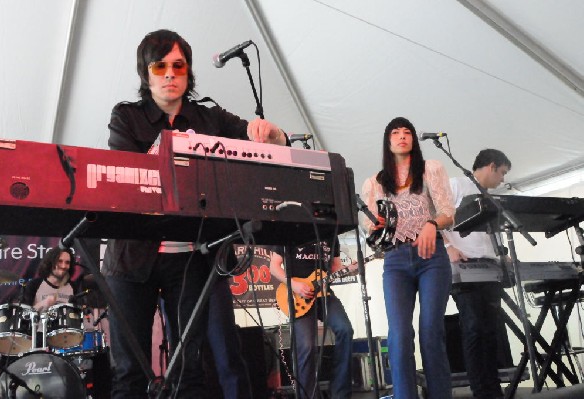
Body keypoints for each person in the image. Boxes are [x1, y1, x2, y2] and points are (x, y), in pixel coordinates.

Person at [103, 29, 288, 399]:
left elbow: (265, 141)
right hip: (131, 257)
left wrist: (274, 134)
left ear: (188, 72)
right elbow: (132, 176)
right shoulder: (125, 117)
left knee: (190, 369)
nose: (170, 74)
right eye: (160, 66)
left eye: (178, 65)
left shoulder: (210, 117)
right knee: (129, 373)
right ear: (146, 73)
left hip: (192, 258)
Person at [361, 116, 455, 399]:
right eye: (396, 132)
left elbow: (448, 213)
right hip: (396, 260)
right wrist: (374, 224)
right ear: (388, 142)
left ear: (413, 139)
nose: (402, 136)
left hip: (432, 257)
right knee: (399, 337)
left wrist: (431, 224)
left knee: (430, 332)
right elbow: (370, 225)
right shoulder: (376, 182)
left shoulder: (430, 169)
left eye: (407, 132)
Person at [443, 149, 511, 399]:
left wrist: (501, 253)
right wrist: (448, 247)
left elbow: (490, 233)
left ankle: (493, 388)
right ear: (491, 166)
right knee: (473, 328)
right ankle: (480, 390)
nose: (502, 179)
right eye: (502, 172)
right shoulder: (456, 185)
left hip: (489, 267)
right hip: (464, 266)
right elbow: (433, 217)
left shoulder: (489, 197)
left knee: (491, 329)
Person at [269, 239, 356, 399]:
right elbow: (274, 266)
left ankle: (340, 393)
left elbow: (335, 267)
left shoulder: (330, 231)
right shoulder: (291, 227)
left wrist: (351, 269)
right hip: (299, 295)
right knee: (306, 346)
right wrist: (294, 285)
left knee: (345, 329)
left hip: (324, 293)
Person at [23, 246, 77, 313]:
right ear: (50, 263)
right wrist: (42, 304)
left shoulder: (74, 287)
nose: (63, 266)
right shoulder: (34, 285)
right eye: (59, 261)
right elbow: (24, 315)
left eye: (67, 262)